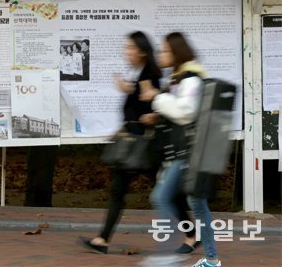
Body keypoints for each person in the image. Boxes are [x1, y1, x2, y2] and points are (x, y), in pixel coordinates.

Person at [139, 32, 220, 267]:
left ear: (176, 53)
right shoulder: (179, 79)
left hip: (190, 153)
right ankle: (212, 260)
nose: (161, 55)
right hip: (185, 152)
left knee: (163, 197)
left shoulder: (191, 79)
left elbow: (185, 112)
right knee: (196, 204)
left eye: (165, 51)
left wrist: (158, 98)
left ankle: (168, 254)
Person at [78, 31, 161, 254]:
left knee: (165, 192)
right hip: (132, 142)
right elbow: (138, 107)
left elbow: (151, 104)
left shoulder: (149, 73)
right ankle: (103, 239)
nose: (127, 52)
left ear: (142, 51)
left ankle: (193, 233)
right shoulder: (141, 72)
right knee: (118, 190)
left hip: (143, 146)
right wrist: (121, 127)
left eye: (131, 48)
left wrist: (133, 91)